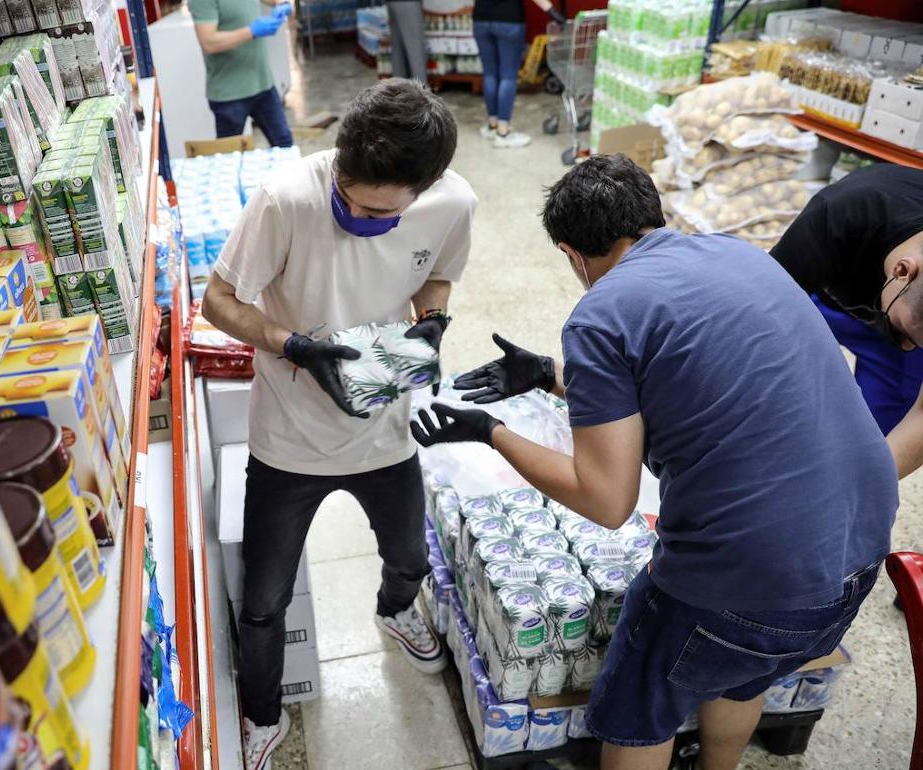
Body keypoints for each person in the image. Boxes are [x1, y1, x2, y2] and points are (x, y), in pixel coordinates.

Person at [411, 154, 896, 770]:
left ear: (571, 253)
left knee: (638, 708)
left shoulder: (602, 311)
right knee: (741, 675)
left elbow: (606, 500)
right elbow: (688, 379)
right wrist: (551, 378)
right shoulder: (740, 254)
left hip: (747, 574)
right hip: (858, 551)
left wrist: (491, 431)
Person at [201, 79, 476, 770]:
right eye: (348, 199)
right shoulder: (287, 198)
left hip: (382, 426)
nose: (357, 216)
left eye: (380, 213)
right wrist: (287, 342)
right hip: (287, 440)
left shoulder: (453, 204)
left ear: (425, 187)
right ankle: (263, 715)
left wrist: (433, 320)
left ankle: (393, 612)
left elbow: (436, 276)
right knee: (263, 603)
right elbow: (218, 300)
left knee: (410, 560)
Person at [771, 163, 923, 477]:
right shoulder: (840, 213)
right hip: (822, 304)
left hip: (886, 307)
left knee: (876, 437)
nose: (908, 347)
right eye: (909, 334)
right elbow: (759, 318)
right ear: (903, 271)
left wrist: (857, 487)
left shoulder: (910, 327)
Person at [190, 0, 294, 146]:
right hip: (230, 94)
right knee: (229, 157)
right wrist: (251, 31)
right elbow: (209, 42)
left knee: (284, 144)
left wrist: (283, 4)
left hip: (263, 83)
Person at [472, 0, 564, 149]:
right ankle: (503, 133)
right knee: (508, 76)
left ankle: (492, 125)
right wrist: (553, 13)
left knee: (489, 74)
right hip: (509, 20)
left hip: (481, 19)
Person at [387, 0, 426, 81]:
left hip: (392, 4)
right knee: (416, 52)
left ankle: (398, 90)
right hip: (408, 4)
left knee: (398, 51)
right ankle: (420, 91)